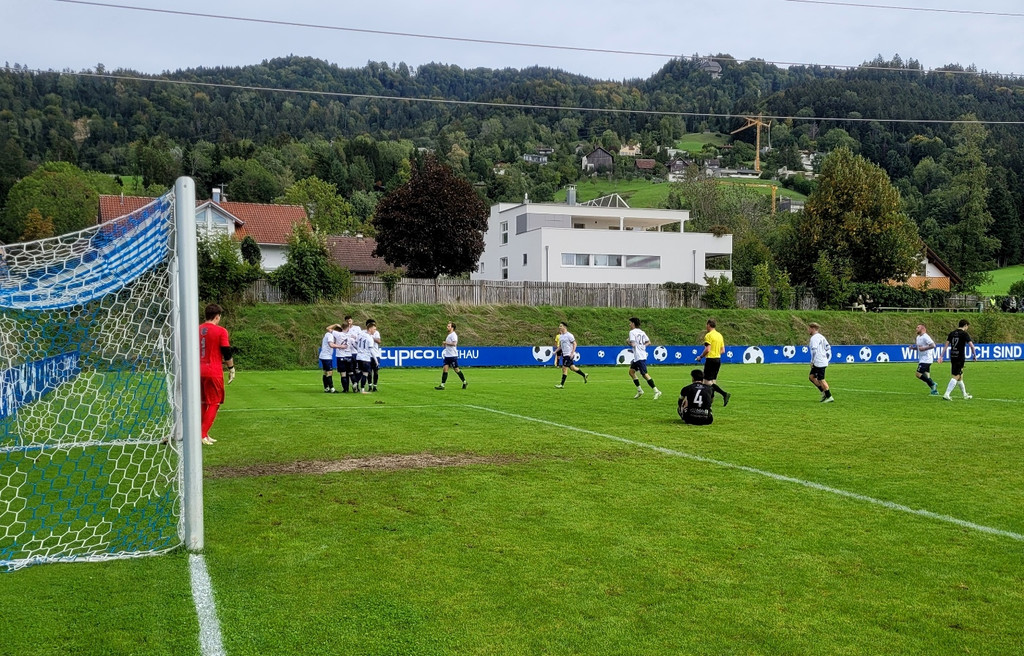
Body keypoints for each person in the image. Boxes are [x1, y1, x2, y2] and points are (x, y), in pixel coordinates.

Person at [199, 303, 235, 445]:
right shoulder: (221, 331)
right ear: (217, 317)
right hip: (213, 371)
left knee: (202, 402)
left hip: (197, 371)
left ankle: (204, 433)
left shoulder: (197, 329)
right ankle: (201, 434)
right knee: (214, 402)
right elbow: (226, 351)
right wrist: (231, 369)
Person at [938, 319, 976, 400]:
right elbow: (972, 346)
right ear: (965, 325)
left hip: (953, 356)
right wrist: (974, 355)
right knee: (956, 376)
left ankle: (965, 395)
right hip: (960, 357)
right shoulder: (964, 334)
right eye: (967, 326)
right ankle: (947, 394)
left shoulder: (952, 333)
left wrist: (941, 356)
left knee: (960, 376)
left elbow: (946, 345)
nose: (967, 328)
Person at [696, 318, 731, 407]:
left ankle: (724, 394)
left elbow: (707, 349)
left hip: (711, 360)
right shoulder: (719, 335)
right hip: (717, 360)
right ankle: (710, 400)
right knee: (713, 381)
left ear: (708, 325)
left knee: (706, 382)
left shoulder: (709, 335)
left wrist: (700, 357)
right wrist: (715, 353)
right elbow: (723, 350)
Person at [626, 317, 662, 400]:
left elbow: (633, 344)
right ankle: (639, 390)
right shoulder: (642, 332)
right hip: (639, 356)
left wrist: (627, 342)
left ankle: (657, 391)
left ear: (633, 324)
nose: (629, 324)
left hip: (639, 356)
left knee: (644, 374)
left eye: (630, 323)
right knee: (631, 372)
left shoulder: (632, 332)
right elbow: (649, 342)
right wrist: (642, 346)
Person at [554, 322, 588, 388]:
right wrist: (555, 351)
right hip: (564, 354)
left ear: (564, 327)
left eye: (560, 326)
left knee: (564, 368)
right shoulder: (561, 336)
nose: (559, 327)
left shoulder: (569, 335)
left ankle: (561, 384)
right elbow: (560, 346)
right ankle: (584, 375)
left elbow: (575, 344)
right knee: (573, 368)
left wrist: (572, 353)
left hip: (569, 355)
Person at [435, 321, 467, 390]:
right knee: (445, 369)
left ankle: (464, 382)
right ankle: (442, 385)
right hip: (447, 356)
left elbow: (454, 343)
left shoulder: (453, 335)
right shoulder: (449, 335)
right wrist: (445, 344)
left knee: (456, 370)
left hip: (452, 356)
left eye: (448, 326)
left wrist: (446, 343)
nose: (447, 327)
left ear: (452, 328)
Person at [807, 322, 834, 403]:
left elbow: (814, 350)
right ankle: (824, 393)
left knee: (821, 379)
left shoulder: (814, 338)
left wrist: (812, 361)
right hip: (821, 360)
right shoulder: (822, 337)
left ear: (813, 329)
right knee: (811, 377)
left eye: (809, 329)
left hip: (818, 361)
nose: (808, 330)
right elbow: (828, 347)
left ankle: (829, 396)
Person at [912, 323, 940, 396]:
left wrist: (924, 348)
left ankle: (933, 384)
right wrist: (913, 348)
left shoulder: (926, 337)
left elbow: (933, 345)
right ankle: (934, 391)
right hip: (922, 359)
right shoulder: (918, 337)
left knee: (918, 374)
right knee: (927, 376)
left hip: (926, 359)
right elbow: (919, 348)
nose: (916, 329)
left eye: (918, 327)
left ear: (922, 329)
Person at [353, 320, 375, 393]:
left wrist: (359, 350)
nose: (375, 330)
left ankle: (355, 383)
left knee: (359, 371)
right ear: (370, 329)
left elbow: (355, 343)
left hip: (359, 357)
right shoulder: (370, 338)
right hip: (366, 358)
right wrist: (376, 360)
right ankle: (362, 389)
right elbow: (371, 350)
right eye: (374, 329)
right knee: (365, 374)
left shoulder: (360, 335)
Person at [319, 323, 341, 393]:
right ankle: (332, 388)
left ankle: (326, 388)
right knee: (329, 372)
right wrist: (340, 346)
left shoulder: (327, 334)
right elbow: (331, 345)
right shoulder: (330, 336)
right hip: (326, 357)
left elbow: (328, 328)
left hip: (323, 356)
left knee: (325, 372)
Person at [331, 321, 352, 392]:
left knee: (343, 374)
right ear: (348, 327)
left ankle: (345, 389)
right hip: (349, 355)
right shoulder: (350, 335)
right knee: (350, 372)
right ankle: (355, 384)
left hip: (340, 356)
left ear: (341, 327)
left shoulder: (338, 334)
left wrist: (335, 324)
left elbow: (328, 328)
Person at [368, 319, 381, 392]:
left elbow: (379, 341)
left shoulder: (376, 333)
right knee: (369, 372)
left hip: (376, 354)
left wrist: (371, 337)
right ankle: (369, 386)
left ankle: (375, 386)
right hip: (368, 355)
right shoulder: (365, 333)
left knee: (376, 371)